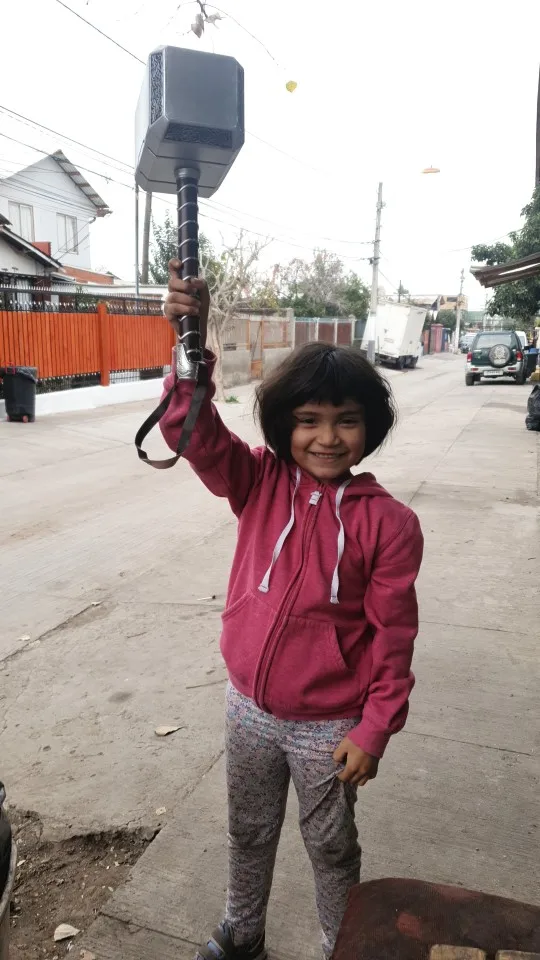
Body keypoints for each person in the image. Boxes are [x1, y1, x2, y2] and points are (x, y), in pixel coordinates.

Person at [162, 261, 424, 960]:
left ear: (369, 428)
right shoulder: (256, 480)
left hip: (330, 724)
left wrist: (374, 727)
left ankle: (343, 946)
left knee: (331, 848)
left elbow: (393, 637)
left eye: (346, 421)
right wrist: (188, 342)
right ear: (284, 426)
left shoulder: (390, 524)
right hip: (247, 707)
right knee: (248, 831)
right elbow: (195, 434)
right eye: (308, 421)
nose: (327, 438)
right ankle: (242, 931)